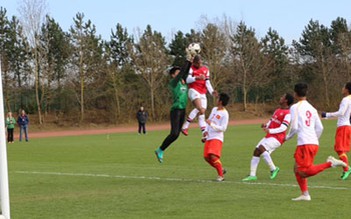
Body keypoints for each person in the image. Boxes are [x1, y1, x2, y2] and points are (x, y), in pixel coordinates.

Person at [285, 83, 346, 201]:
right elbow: (320, 128)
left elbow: (294, 127)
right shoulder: (312, 108)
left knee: (303, 172)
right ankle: (305, 194)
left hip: (305, 143)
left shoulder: (294, 107)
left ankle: (331, 163)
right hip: (312, 142)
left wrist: (287, 138)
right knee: (296, 168)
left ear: (295, 93)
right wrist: (314, 139)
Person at [242, 93, 294, 182]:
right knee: (256, 151)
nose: (280, 98)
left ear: (286, 101)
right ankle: (252, 175)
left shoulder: (288, 114)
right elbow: (271, 120)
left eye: (282, 97)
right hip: (270, 136)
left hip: (278, 138)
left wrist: (270, 131)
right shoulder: (277, 110)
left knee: (262, 148)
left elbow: (283, 127)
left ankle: (273, 169)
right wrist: (266, 126)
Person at [154, 57, 193, 163]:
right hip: (176, 110)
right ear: (173, 75)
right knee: (174, 133)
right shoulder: (174, 82)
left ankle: (160, 150)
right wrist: (188, 60)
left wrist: (191, 61)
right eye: (177, 72)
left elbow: (186, 72)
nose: (180, 73)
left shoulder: (183, 81)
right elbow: (182, 73)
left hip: (183, 110)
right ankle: (160, 150)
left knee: (176, 135)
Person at [181, 55, 217, 140]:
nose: (200, 64)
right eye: (198, 63)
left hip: (202, 92)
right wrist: (197, 77)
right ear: (194, 62)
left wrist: (212, 91)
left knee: (202, 111)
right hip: (193, 90)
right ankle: (185, 126)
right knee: (200, 108)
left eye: (201, 62)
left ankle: (204, 132)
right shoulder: (191, 68)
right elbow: (187, 80)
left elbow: (207, 82)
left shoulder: (206, 70)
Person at [321, 82, 351, 180]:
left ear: (347, 89)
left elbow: (341, 113)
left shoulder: (346, 99)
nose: (342, 89)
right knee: (340, 149)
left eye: (343, 87)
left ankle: (346, 169)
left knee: (339, 149)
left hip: (343, 127)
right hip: (346, 126)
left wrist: (327, 115)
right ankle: (346, 169)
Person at [202, 93, 230, 182]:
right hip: (209, 136)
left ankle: (221, 176)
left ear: (220, 102)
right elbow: (209, 121)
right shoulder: (214, 109)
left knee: (213, 156)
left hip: (217, 137)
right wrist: (205, 132)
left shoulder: (225, 114)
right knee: (206, 157)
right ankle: (220, 169)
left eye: (218, 99)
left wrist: (212, 125)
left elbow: (223, 128)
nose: (216, 100)